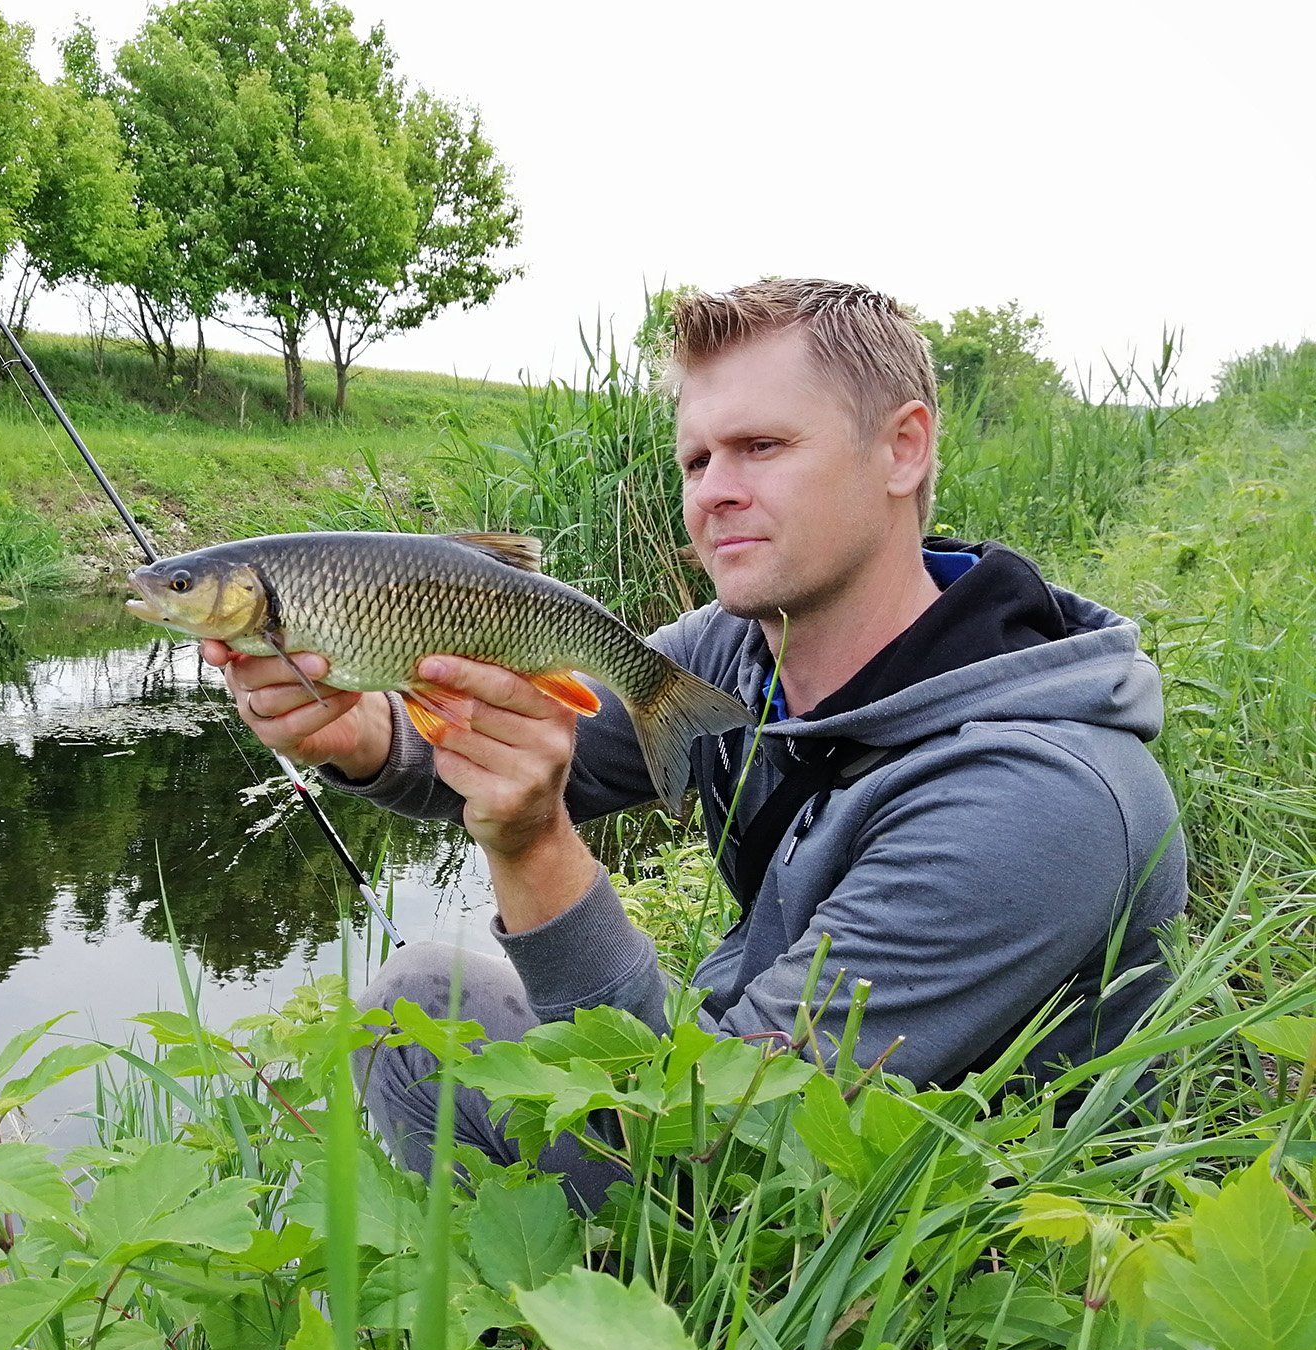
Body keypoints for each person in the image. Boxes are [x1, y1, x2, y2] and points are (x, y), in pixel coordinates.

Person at [201, 278, 1186, 1211]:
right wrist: (367, 731)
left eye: (760, 446)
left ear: (904, 450)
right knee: (415, 1001)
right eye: (697, 460)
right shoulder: (736, 650)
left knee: (431, 1024)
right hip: (763, 1080)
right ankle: (522, 1303)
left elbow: (713, 1151)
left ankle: (575, 1325)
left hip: (936, 1242)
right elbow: (530, 747)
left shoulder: (1035, 802)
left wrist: (533, 846)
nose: (714, 491)